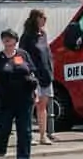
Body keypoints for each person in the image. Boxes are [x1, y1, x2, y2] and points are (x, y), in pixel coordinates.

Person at [0, 28, 39, 159]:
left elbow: (32, 72)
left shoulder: (23, 54)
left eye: (10, 38)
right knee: (4, 129)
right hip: (5, 99)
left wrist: (35, 92)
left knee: (25, 131)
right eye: (4, 38)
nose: (7, 40)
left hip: (24, 99)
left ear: (15, 40)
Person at [20, 10, 57, 145]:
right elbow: (20, 56)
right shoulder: (27, 37)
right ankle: (28, 135)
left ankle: (43, 135)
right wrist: (25, 72)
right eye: (42, 17)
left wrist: (51, 68)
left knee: (43, 106)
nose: (45, 20)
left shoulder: (43, 35)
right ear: (35, 19)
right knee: (31, 106)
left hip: (46, 74)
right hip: (33, 76)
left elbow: (47, 54)